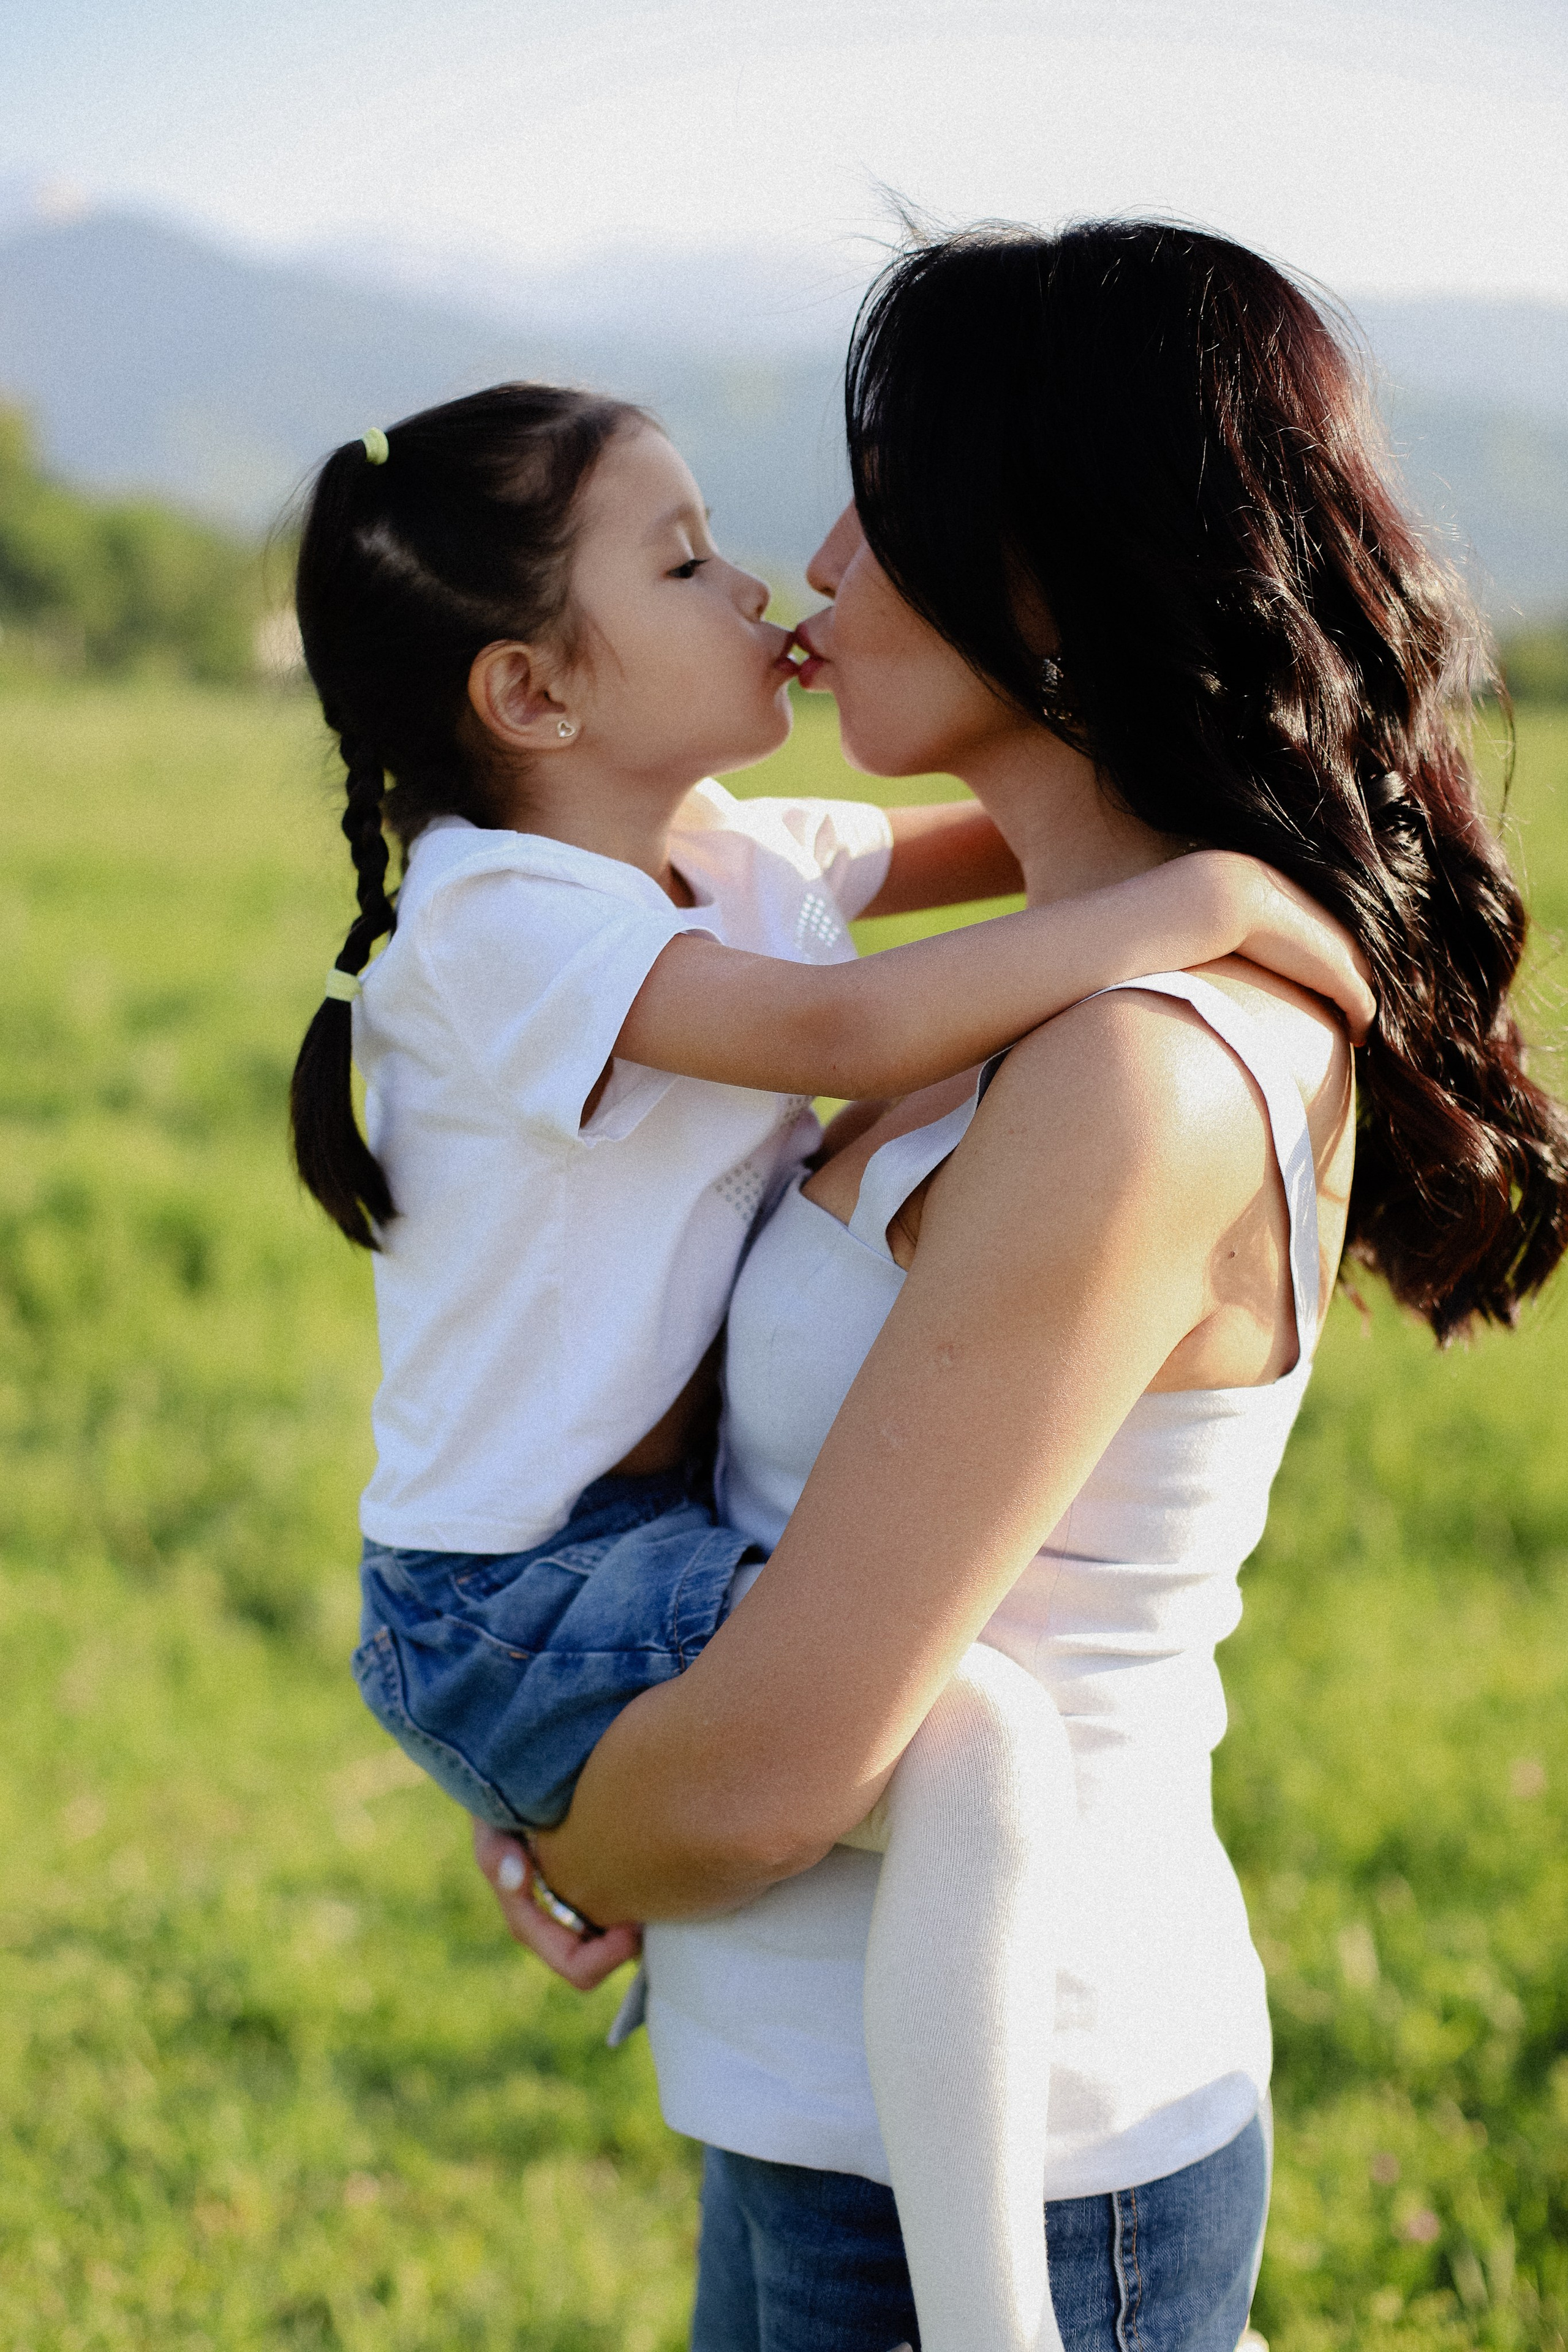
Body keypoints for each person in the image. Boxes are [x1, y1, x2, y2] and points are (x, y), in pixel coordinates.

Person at [477, 222, 1568, 2352]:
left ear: (1057, 575)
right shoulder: (1027, 997)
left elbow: (773, 1775)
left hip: (1007, 2195)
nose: (816, 566)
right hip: (828, 2116)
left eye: (884, 508)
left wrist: (570, 1808)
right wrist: (579, 1783)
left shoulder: (1134, 1077)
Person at [286, 383, 1370, 2352]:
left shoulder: (730, 856)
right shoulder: (506, 914)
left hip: (980, 2089)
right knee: (969, 1749)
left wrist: (1209, 818)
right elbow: (845, 1031)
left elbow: (983, 850)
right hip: (520, 1601)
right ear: (533, 693)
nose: (772, 579)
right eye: (684, 561)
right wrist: (1207, 899)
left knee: (976, 1748)